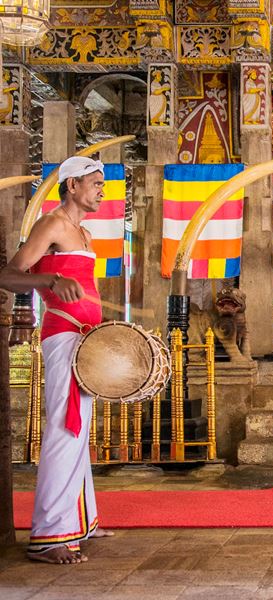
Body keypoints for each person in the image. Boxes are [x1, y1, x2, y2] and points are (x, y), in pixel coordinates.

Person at [0, 156, 114, 564]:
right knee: (65, 429)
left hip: (85, 340)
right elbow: (9, 274)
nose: (102, 189)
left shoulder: (84, 233)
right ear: (72, 186)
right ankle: (49, 536)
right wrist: (48, 280)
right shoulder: (51, 224)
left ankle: (81, 520)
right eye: (96, 183)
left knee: (79, 429)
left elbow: (86, 286)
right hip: (62, 335)